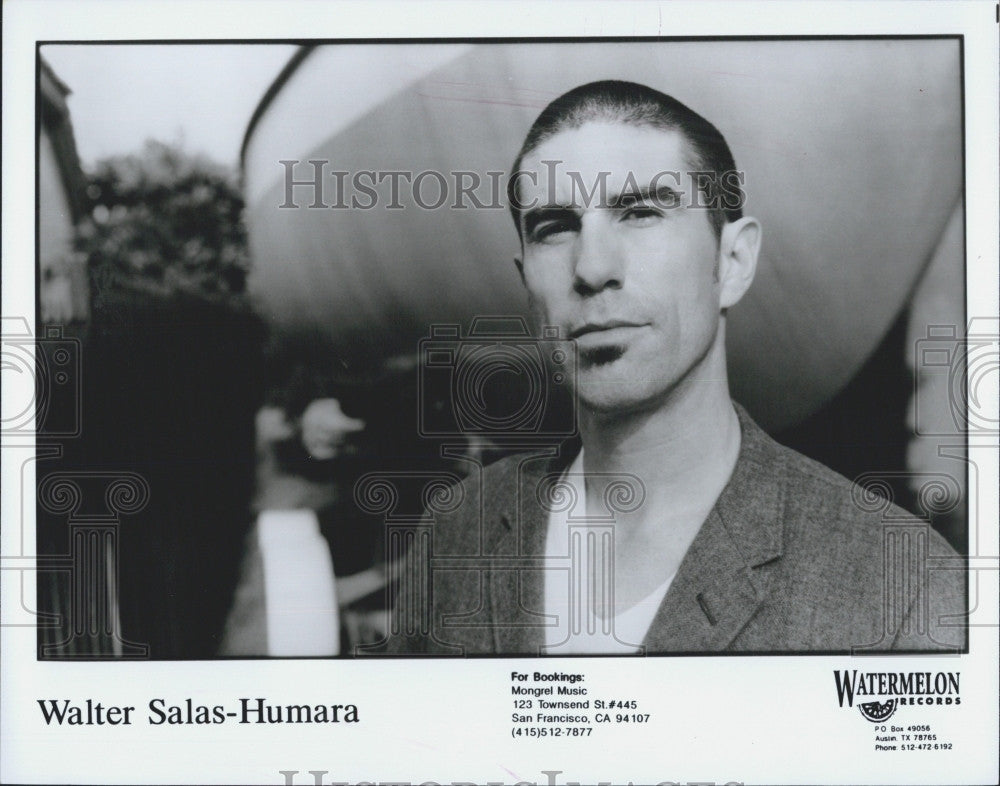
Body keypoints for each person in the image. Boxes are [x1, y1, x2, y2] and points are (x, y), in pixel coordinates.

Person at [378, 80, 966, 655]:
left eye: (639, 213)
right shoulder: (457, 531)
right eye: (555, 228)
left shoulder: (905, 588)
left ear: (733, 261)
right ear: (528, 284)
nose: (592, 268)